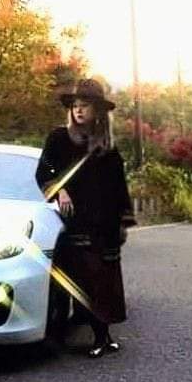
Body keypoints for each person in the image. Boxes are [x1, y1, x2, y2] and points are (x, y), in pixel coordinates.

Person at [34, 78, 137, 358]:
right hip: (74, 222)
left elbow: (119, 186)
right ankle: (64, 337)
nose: (79, 110)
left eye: (85, 106)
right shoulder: (58, 138)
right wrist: (60, 190)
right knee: (80, 279)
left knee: (104, 281)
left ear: (98, 111)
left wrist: (123, 222)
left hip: (105, 222)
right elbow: (44, 172)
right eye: (76, 105)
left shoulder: (107, 146)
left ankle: (103, 337)